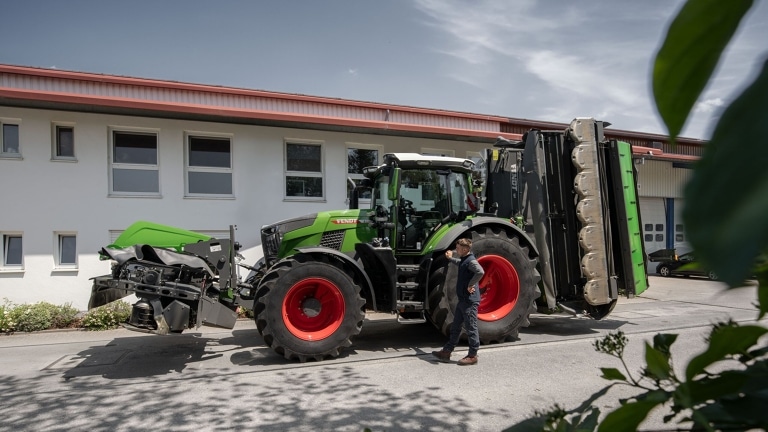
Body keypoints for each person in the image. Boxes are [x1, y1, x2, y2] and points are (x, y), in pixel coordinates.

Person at [432, 238, 485, 365]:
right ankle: (447, 351)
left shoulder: (471, 261)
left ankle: (473, 355)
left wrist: (471, 284)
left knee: (471, 327)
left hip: (470, 301)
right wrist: (450, 259)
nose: (456, 250)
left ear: (465, 249)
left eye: (458, 248)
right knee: (456, 327)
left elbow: (480, 271)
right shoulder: (464, 260)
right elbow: (460, 263)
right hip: (463, 301)